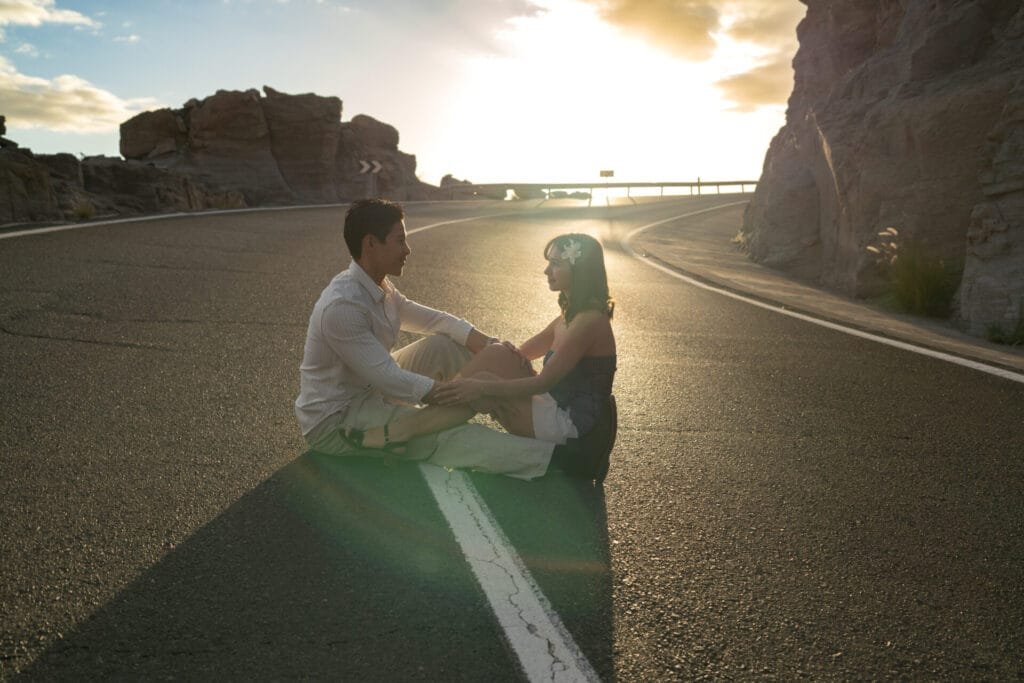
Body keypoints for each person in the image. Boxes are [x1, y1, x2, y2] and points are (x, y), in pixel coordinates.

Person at [295, 198, 554, 479]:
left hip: (375, 385)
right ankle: (553, 457)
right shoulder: (343, 306)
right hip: (338, 418)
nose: (408, 249)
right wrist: (469, 392)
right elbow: (389, 378)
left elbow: (437, 321)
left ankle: (540, 422)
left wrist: (492, 345)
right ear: (370, 244)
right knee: (448, 432)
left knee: (447, 346)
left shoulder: (381, 287)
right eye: (400, 241)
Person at [355, 232, 617, 477]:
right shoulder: (569, 316)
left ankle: (398, 432)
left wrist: (481, 387)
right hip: (555, 406)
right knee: (498, 353)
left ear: (579, 270)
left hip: (570, 427)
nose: (547, 270)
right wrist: (495, 355)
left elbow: (542, 383)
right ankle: (412, 428)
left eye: (556, 264)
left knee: (482, 382)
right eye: (549, 262)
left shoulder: (589, 321)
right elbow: (521, 353)